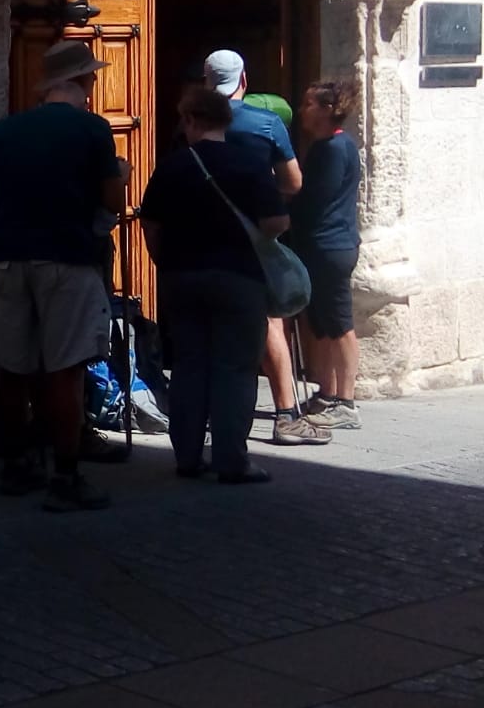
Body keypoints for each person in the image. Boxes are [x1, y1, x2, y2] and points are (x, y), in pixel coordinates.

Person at [0, 40, 127, 512]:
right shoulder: (92, 128)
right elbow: (112, 201)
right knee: (65, 371)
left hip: (11, 258)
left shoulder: (8, 129)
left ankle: (17, 464)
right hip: (68, 258)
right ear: (84, 80)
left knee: (12, 367)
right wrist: (119, 175)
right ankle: (65, 476)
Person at [140, 89, 289, 484]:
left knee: (189, 365)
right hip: (239, 276)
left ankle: (187, 457)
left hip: (182, 276)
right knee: (235, 367)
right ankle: (231, 459)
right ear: (226, 120)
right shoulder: (249, 163)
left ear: (190, 119)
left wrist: (163, 262)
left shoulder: (172, 166)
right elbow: (277, 223)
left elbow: (150, 223)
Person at [204, 49, 327, 446]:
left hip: (204, 239)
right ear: (243, 80)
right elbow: (293, 182)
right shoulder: (266, 123)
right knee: (270, 319)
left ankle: (212, 413)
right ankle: (286, 414)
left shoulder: (192, 124)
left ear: (206, 82)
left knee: (211, 322)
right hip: (256, 236)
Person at [293, 81, 363, 430]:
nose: (303, 110)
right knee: (321, 323)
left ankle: (346, 402)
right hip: (321, 246)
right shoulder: (326, 146)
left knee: (339, 325)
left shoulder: (334, 148)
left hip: (332, 247)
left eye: (309, 104)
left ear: (326, 109)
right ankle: (327, 392)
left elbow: (314, 199)